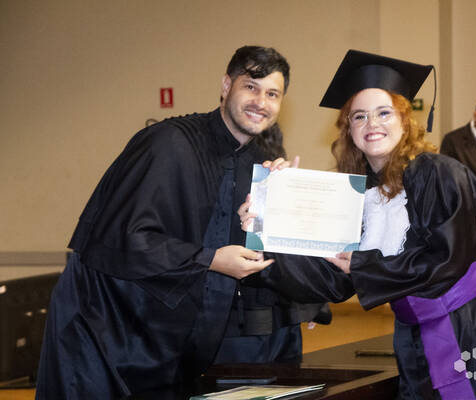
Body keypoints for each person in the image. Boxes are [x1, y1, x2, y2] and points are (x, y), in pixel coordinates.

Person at [245, 50, 476, 399]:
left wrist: (364, 265)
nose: (372, 124)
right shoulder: (359, 194)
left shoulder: (436, 172)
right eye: (359, 116)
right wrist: (267, 223)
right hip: (421, 327)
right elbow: (333, 276)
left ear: (405, 121)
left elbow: (445, 261)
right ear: (348, 129)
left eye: (384, 113)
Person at [36, 45, 325, 399]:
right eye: (250, 87)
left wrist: (283, 199)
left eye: (272, 94)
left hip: (166, 336)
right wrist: (211, 260)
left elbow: (245, 247)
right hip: (106, 325)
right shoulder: (168, 142)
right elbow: (125, 237)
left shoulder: (260, 162)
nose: (260, 102)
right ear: (226, 85)